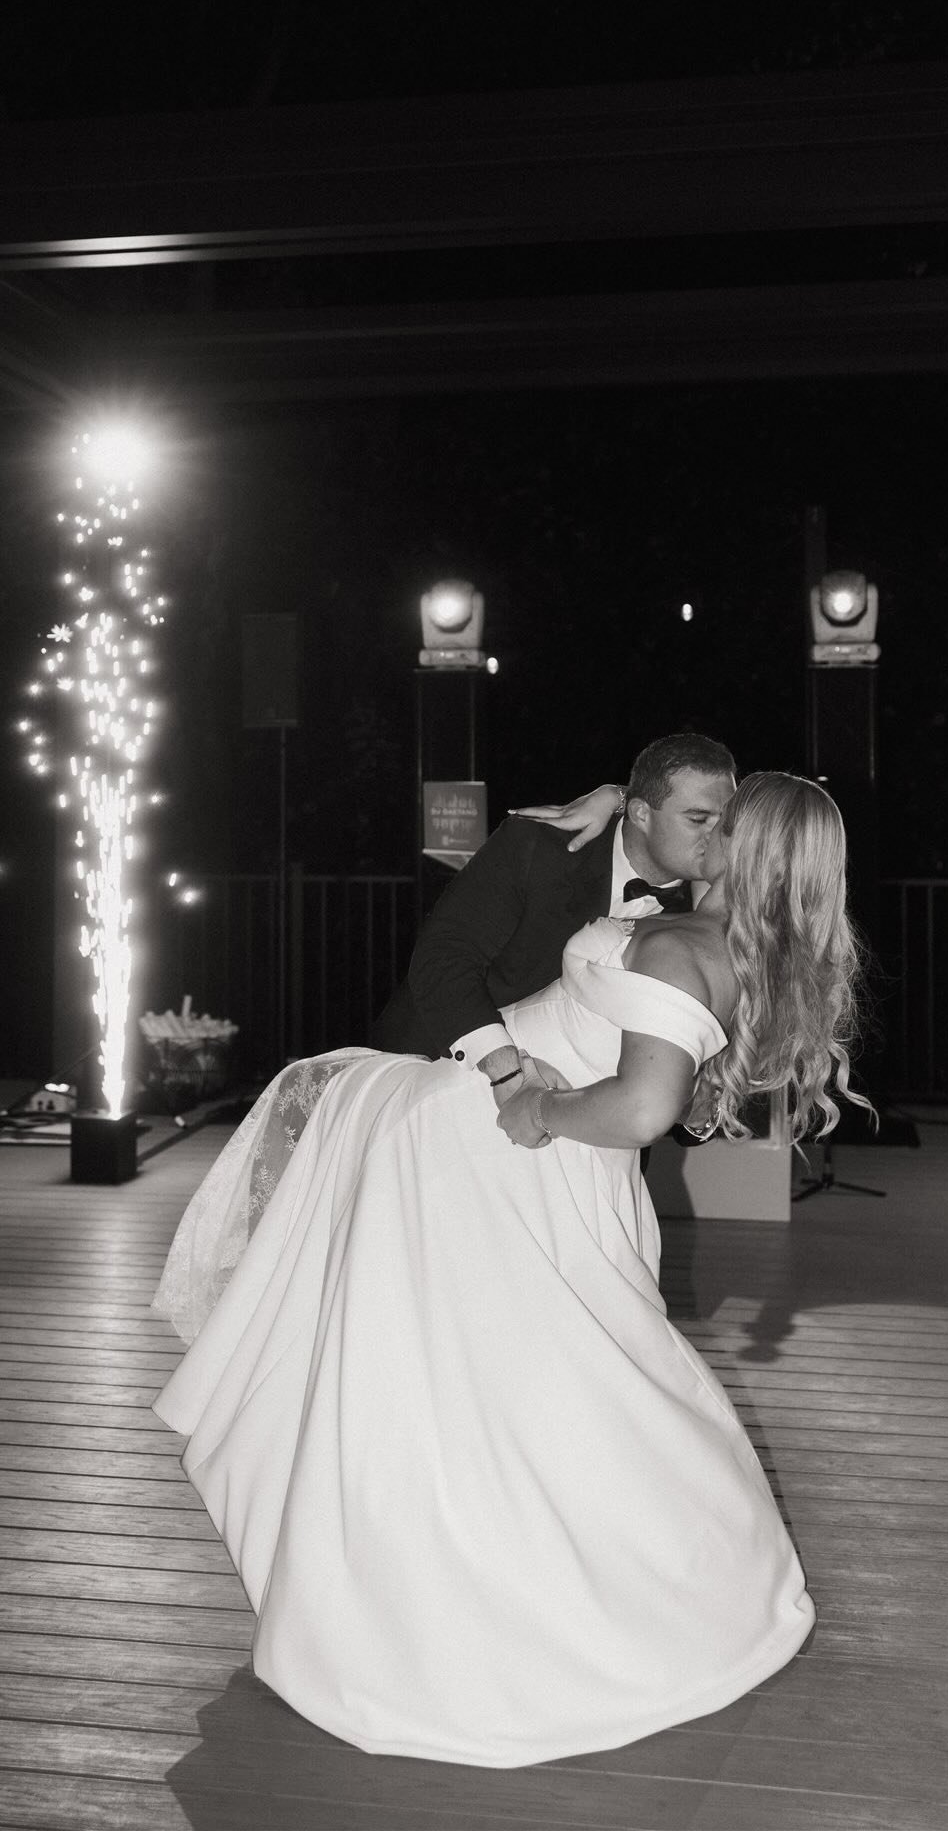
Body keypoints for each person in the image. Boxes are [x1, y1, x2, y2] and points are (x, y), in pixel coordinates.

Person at [152, 771, 867, 1767]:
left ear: (750, 850)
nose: (707, 832)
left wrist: (536, 1108)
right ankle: (482, 1590)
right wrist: (615, 798)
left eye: (727, 822)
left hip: (495, 1155)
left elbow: (641, 1107)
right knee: (510, 1384)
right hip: (518, 1164)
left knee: (443, 1385)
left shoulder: (679, 945)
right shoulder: (726, 940)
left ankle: (436, 1618)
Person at [372, 733, 736, 1138]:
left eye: (727, 821)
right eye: (698, 820)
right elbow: (443, 958)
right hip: (441, 1085)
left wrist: (697, 1107)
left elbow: (681, 1086)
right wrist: (508, 1075)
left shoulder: (709, 918)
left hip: (585, 1135)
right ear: (640, 814)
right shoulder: (537, 848)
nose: (718, 836)